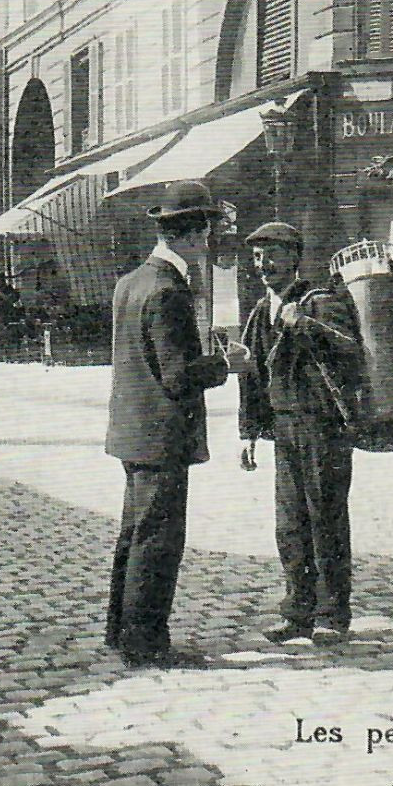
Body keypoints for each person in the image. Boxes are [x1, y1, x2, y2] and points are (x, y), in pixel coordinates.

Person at [105, 181, 251, 669]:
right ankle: (146, 643)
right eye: (207, 230)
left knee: (135, 533)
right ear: (196, 233)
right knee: (158, 539)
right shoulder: (169, 291)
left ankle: (122, 631)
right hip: (162, 434)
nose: (209, 241)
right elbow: (177, 375)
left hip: (133, 430)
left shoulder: (131, 282)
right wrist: (226, 365)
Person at [235, 221, 364, 645]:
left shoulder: (321, 300)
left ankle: (332, 613)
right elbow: (251, 374)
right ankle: (297, 612)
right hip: (284, 428)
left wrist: (303, 324)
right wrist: (248, 432)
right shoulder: (259, 312)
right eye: (257, 257)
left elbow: (350, 348)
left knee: (325, 516)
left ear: (294, 257)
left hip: (323, 424)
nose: (264, 264)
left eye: (272, 255)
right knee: (290, 523)